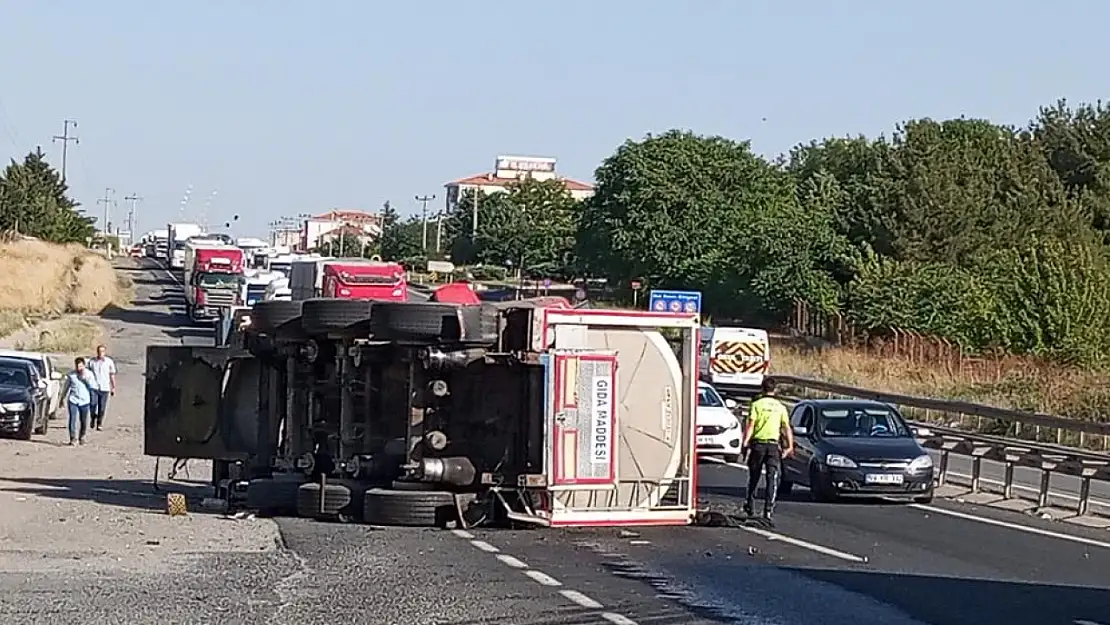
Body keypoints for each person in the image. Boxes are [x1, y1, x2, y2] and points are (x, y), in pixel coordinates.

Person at [740, 377, 794, 522]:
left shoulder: (756, 405)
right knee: (772, 479)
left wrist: (744, 444)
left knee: (754, 477)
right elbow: (786, 428)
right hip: (772, 446)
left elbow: (750, 426)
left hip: (758, 445)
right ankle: (768, 510)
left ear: (762, 389)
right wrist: (790, 446)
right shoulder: (780, 407)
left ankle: (750, 505)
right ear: (775, 390)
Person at [64, 357, 95, 446]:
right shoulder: (71, 375)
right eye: (77, 366)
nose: (79, 368)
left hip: (85, 400)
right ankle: (73, 438)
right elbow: (66, 387)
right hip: (73, 400)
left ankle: (82, 437)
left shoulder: (89, 374)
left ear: (84, 365)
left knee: (83, 420)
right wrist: (62, 398)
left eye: (80, 366)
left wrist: (85, 379)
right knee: (72, 419)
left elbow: (93, 386)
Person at [87, 344, 117, 431]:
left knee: (102, 407)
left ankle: (99, 423)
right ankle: (93, 417)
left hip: (105, 388)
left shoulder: (109, 362)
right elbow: (88, 374)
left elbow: (112, 375)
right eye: (99, 351)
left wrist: (113, 387)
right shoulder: (92, 362)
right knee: (92, 404)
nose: (101, 353)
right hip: (94, 387)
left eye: (102, 351)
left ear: (105, 352)